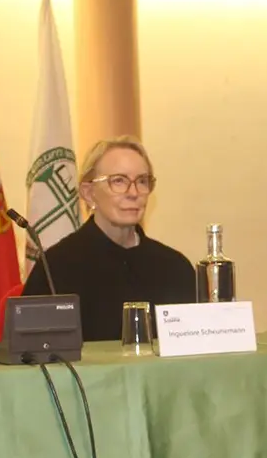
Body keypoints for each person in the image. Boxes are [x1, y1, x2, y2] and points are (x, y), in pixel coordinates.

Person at [22, 136, 194, 342]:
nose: (133, 193)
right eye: (119, 181)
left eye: (142, 181)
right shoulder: (56, 268)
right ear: (88, 193)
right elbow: (30, 354)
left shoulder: (174, 268)